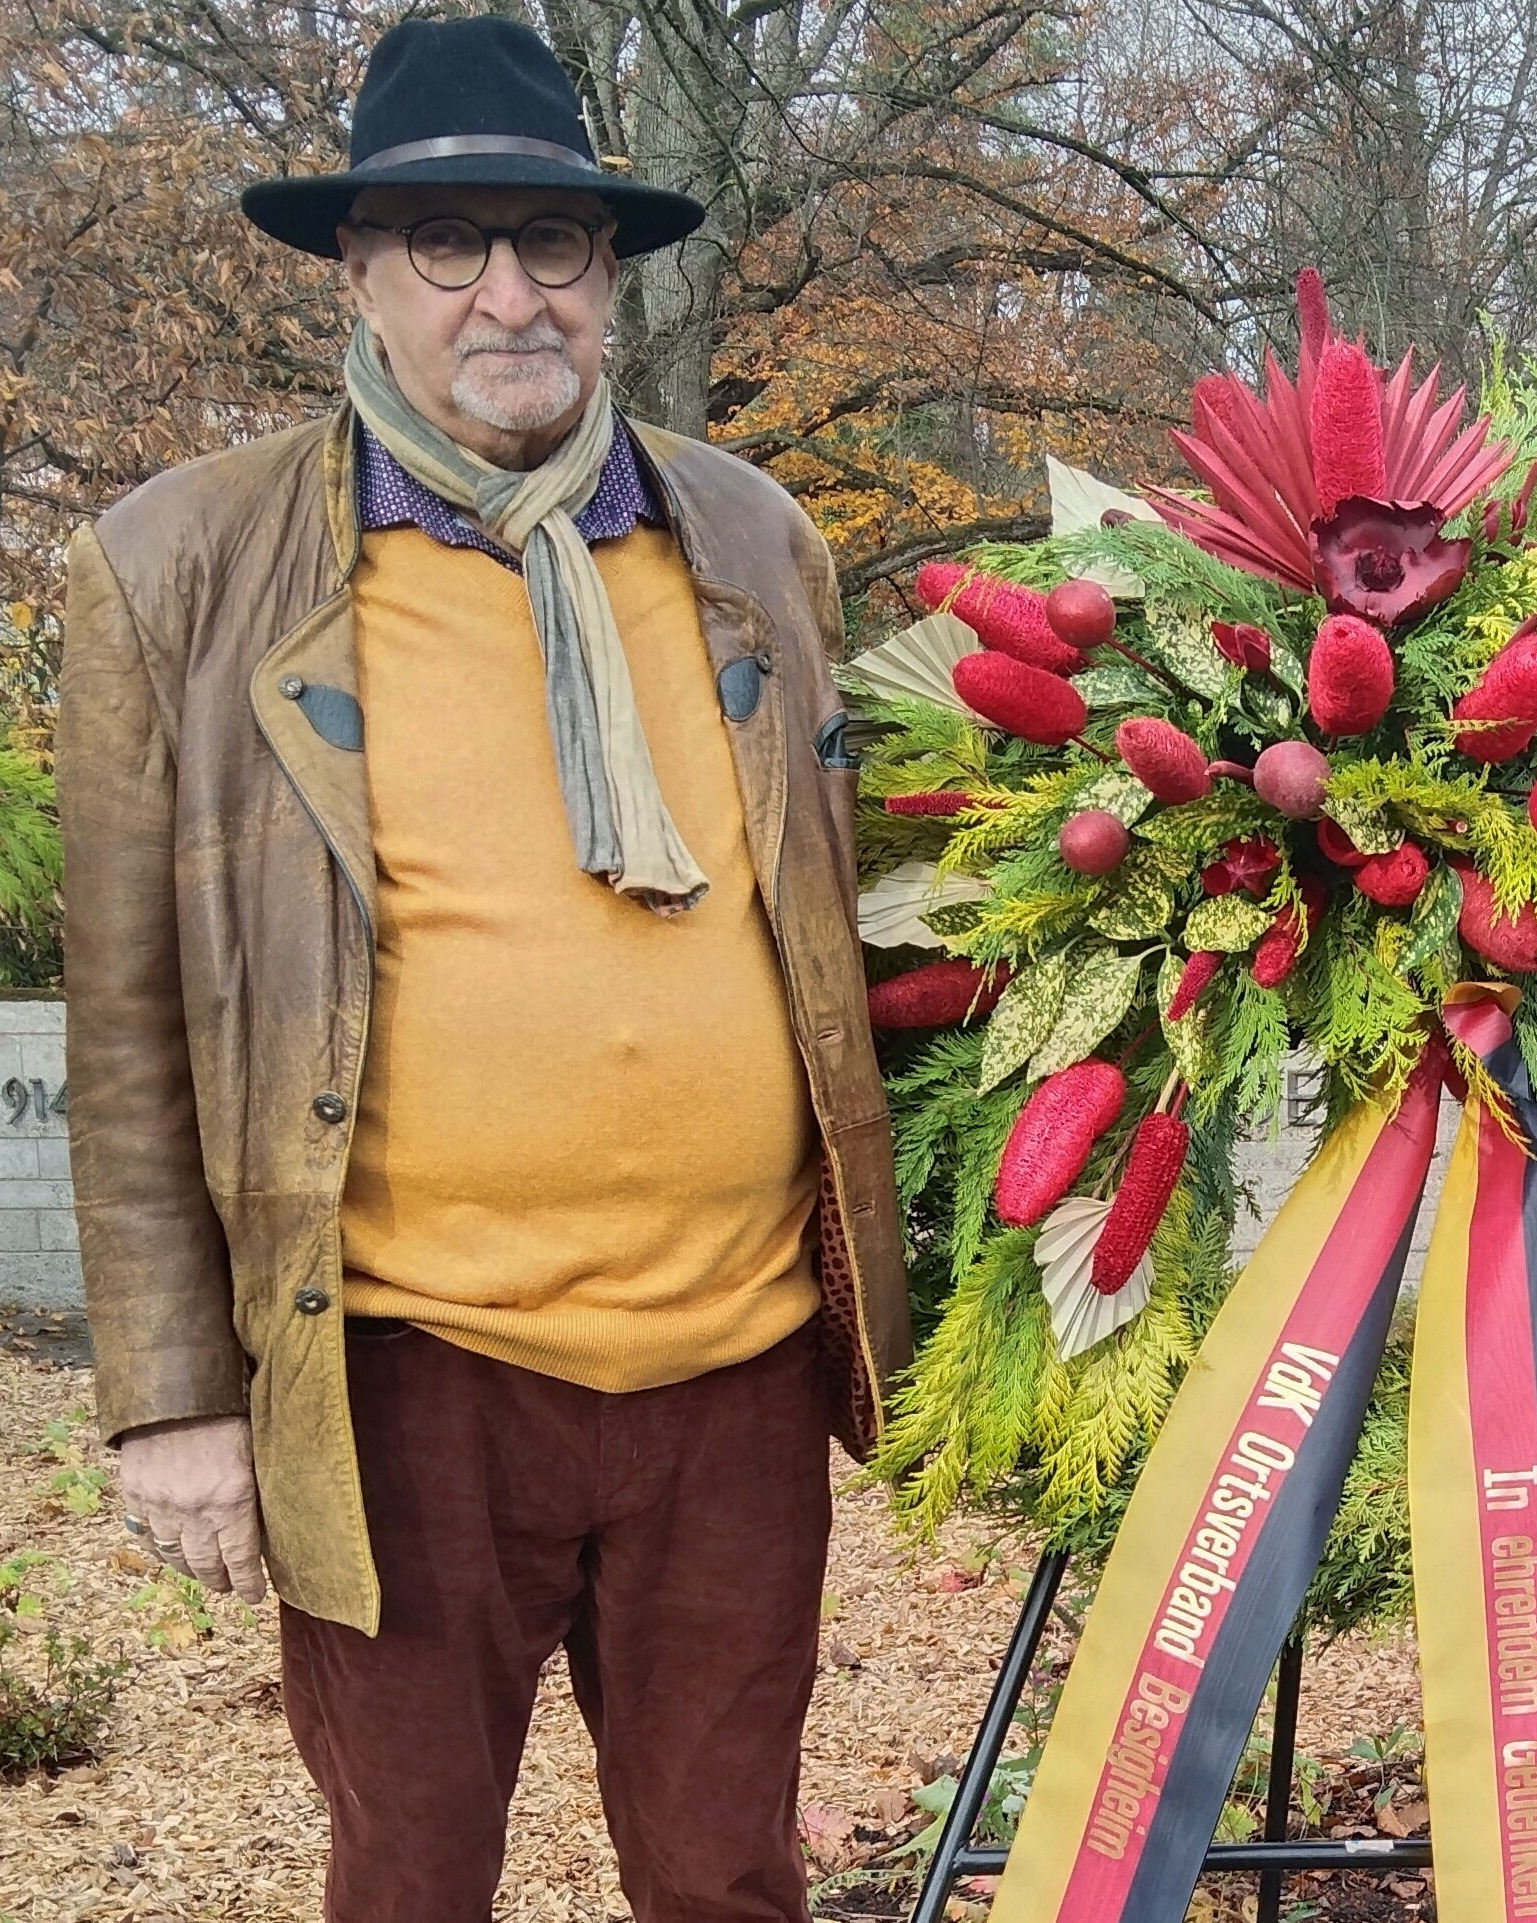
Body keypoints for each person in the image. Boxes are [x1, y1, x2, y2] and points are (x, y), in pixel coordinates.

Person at [59, 18, 907, 1919]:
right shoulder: (177, 567)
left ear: (609, 277)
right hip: (403, 1371)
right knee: (415, 1873)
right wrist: (172, 1392)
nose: (508, 294)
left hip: (737, 1358)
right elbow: (121, 1023)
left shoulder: (755, 537)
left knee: (727, 1874)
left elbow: (851, 908)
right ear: (356, 270)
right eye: (449, 242)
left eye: (554, 243)